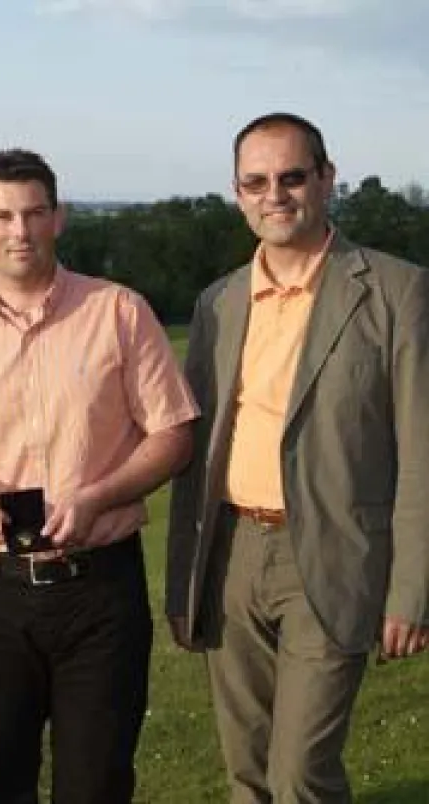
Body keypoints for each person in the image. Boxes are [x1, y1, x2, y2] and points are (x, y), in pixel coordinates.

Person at [0, 149, 198, 804]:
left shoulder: (120, 314)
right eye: (4, 215)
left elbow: (175, 435)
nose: (21, 231)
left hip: (99, 589)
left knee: (96, 784)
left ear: (59, 218)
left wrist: (101, 494)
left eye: (35, 213)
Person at [166, 112, 429, 802]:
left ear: (326, 179)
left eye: (291, 177)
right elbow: (196, 456)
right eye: (256, 181)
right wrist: (182, 583)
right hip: (230, 554)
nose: (274, 194)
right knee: (247, 774)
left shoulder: (398, 292)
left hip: (336, 554)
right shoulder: (218, 301)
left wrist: (412, 592)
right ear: (238, 192)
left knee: (300, 775)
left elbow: (423, 452)